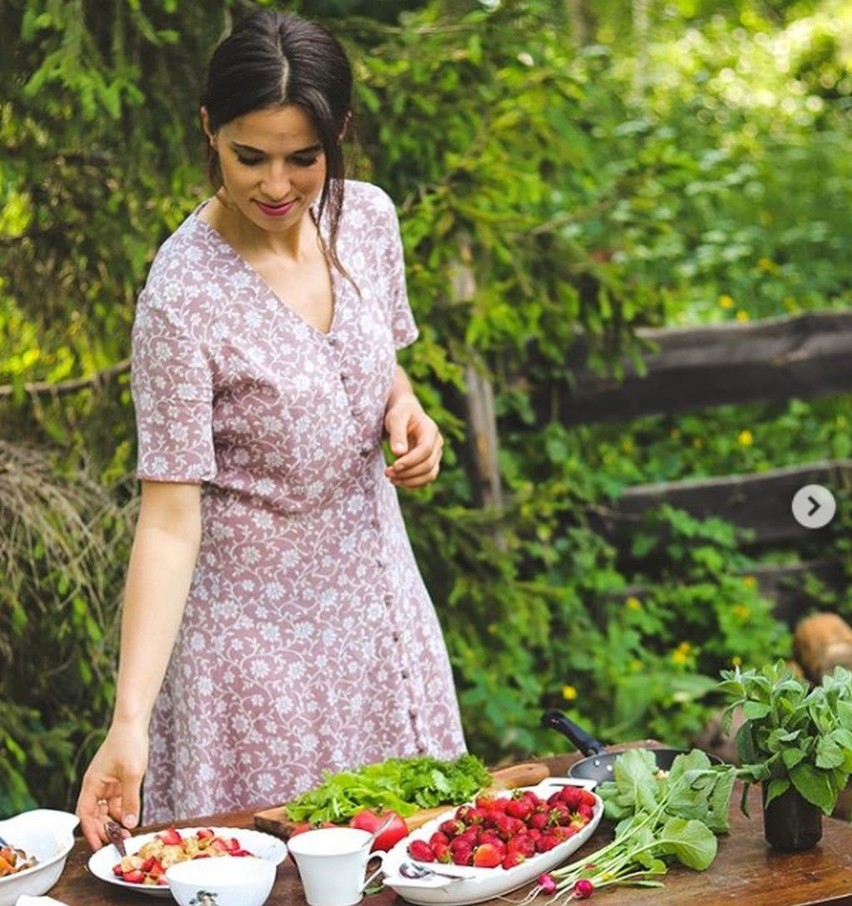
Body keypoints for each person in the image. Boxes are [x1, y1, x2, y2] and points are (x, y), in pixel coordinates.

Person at [76, 8, 467, 851]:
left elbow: (365, 365)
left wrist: (406, 409)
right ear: (210, 130)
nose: (279, 186)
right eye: (250, 157)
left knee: (420, 863)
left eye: (305, 158)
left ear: (340, 136)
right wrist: (129, 721)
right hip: (252, 665)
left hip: (380, 623)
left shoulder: (365, 222)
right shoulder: (181, 299)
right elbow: (169, 519)